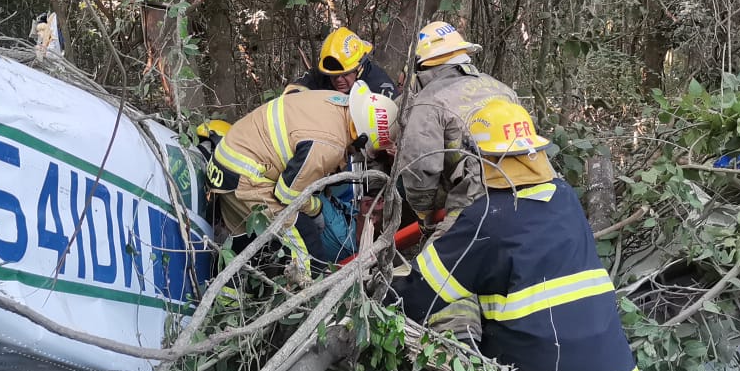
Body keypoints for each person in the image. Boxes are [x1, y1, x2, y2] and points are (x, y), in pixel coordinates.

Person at [396, 99, 656, 371]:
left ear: (482, 159)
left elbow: (416, 297)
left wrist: (372, 296)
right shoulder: (566, 201)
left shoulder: (487, 220)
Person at [205, 81, 398, 270]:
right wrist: (316, 209)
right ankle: (308, 288)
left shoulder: (336, 101)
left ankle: (227, 287)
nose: (354, 152)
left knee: (242, 246)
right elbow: (287, 195)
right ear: (361, 136)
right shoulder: (329, 144)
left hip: (225, 162)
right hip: (248, 178)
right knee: (306, 241)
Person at [392, 21, 516, 227]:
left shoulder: (428, 102)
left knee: (437, 249)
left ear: (421, 66)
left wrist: (425, 216)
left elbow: (420, 170)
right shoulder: (503, 90)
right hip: (523, 193)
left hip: (474, 204)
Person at [289, 26, 398, 97]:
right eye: (334, 76)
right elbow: (294, 90)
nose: (338, 80)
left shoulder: (380, 87)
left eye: (345, 74)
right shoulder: (323, 74)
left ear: (359, 68)